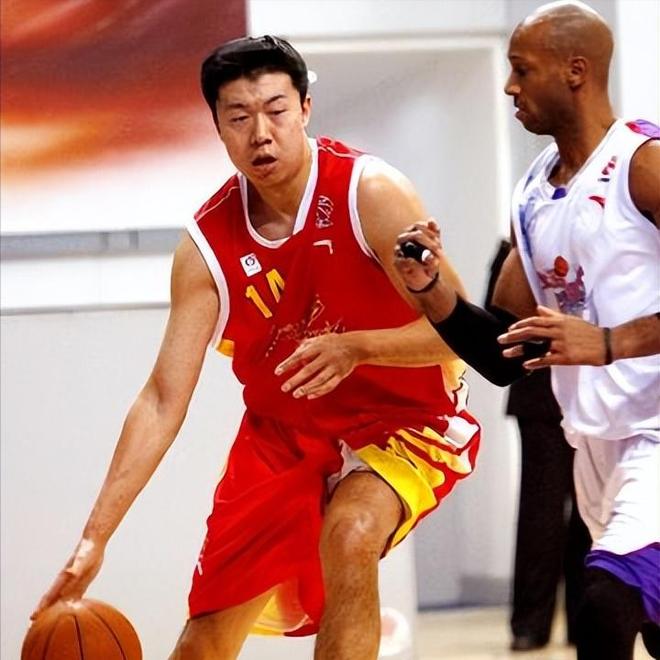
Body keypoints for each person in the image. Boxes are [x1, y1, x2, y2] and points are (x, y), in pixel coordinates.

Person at [31, 36, 481, 660]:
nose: (261, 134)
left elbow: (461, 333)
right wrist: (94, 538)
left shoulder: (372, 193)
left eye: (276, 110)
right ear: (218, 127)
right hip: (283, 434)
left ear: (305, 109)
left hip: (404, 418)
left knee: (350, 532)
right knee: (203, 643)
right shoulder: (205, 246)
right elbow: (162, 399)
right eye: (239, 118)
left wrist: (356, 349)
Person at [394, 3, 660, 659]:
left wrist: (609, 344)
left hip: (655, 433)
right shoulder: (534, 194)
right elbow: (505, 355)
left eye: (522, 69)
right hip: (595, 447)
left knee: (603, 603)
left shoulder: (644, 164)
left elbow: (600, 342)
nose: (510, 86)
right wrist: (433, 291)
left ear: (576, 71)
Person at [486, 240, 591, 652]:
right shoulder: (521, 243)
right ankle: (530, 623)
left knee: (592, 511)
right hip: (541, 392)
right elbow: (496, 322)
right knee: (541, 511)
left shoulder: (604, 239)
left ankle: (585, 619)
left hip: (595, 392)